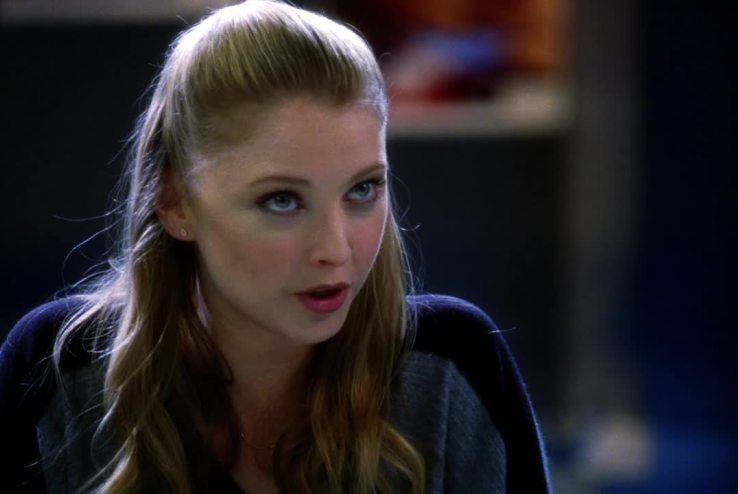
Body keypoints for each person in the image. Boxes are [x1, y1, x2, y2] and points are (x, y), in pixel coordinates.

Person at [0, 1, 550, 492]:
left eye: (363, 190)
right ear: (175, 202)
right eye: (282, 200)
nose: (335, 249)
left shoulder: (449, 368)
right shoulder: (60, 373)